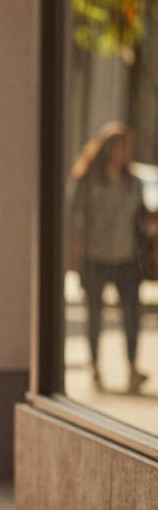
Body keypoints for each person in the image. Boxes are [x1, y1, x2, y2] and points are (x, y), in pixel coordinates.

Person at [69, 122, 150, 394]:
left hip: (126, 258)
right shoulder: (87, 180)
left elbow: (142, 220)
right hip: (95, 257)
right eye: (119, 147)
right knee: (95, 315)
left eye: (127, 148)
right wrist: (74, 257)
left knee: (132, 315)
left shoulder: (134, 182)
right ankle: (95, 368)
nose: (123, 153)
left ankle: (132, 366)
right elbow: (73, 219)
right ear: (107, 148)